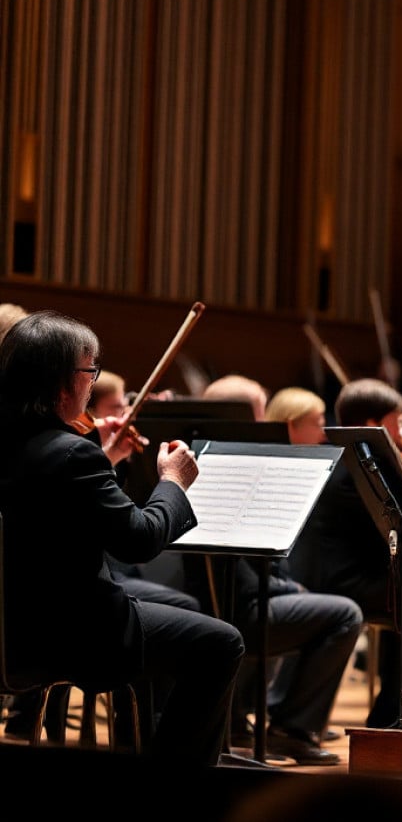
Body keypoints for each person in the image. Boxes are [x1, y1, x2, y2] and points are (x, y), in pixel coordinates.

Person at [0, 310, 244, 765]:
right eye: (89, 371)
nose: (93, 383)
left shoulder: (30, 446)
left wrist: (103, 457)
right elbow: (139, 540)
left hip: (9, 631)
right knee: (222, 642)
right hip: (69, 636)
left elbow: (57, 506)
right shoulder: (73, 452)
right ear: (60, 384)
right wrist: (172, 483)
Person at [177, 380, 362, 765]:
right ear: (244, 416)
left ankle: (248, 720)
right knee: (344, 614)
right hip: (230, 609)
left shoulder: (195, 458)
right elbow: (243, 584)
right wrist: (289, 588)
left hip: (213, 603)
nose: (267, 422)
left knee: (310, 603)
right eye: (261, 413)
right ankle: (290, 729)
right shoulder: (235, 467)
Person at [288, 378, 402, 729]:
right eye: (398, 422)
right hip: (344, 580)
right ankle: (401, 707)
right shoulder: (359, 468)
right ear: (374, 425)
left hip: (361, 573)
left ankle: (397, 708)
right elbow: (398, 539)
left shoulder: (357, 457)